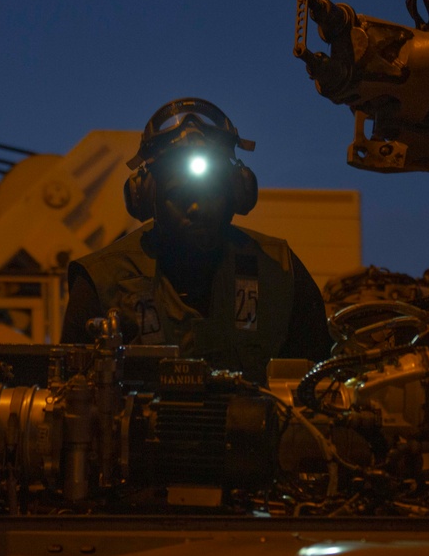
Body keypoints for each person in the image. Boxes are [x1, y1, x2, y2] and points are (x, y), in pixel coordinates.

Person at [60, 98, 332, 383]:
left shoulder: (280, 272)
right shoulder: (103, 280)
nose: (197, 208)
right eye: (179, 195)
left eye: (211, 192)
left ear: (236, 195)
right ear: (147, 198)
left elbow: (319, 387)